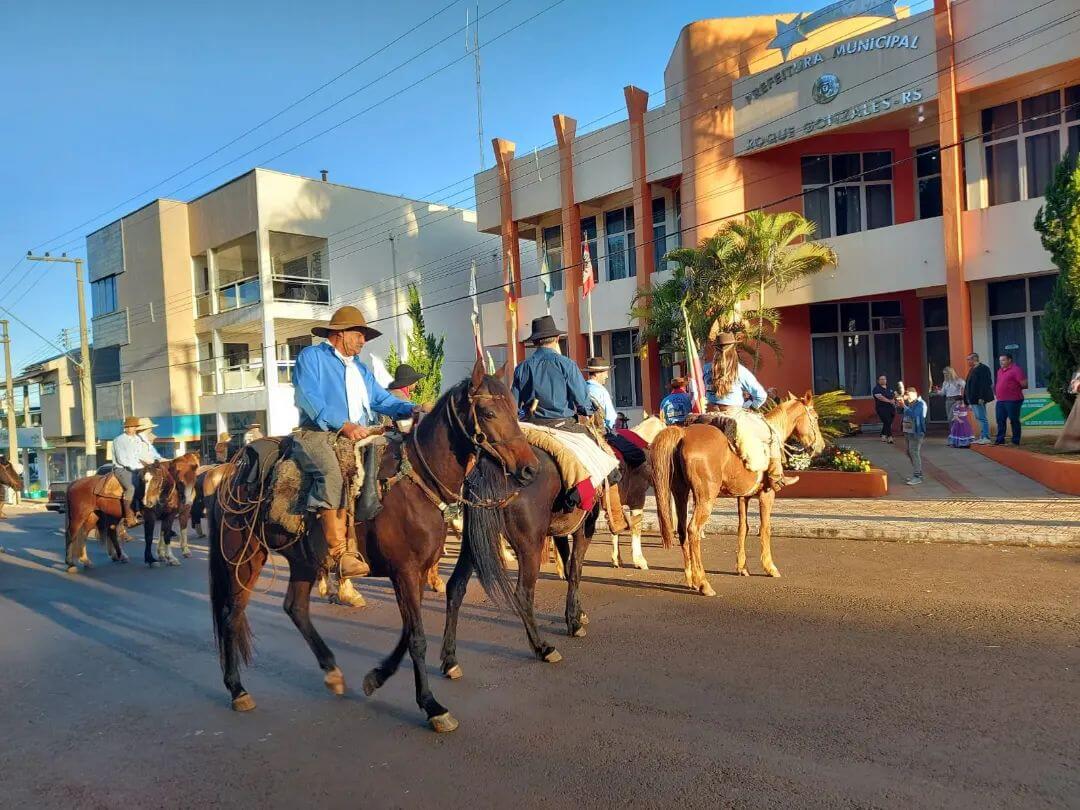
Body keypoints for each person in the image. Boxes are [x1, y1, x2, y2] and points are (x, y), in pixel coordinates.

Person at [292, 305, 417, 580]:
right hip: (319, 433)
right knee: (332, 474)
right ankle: (339, 554)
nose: (363, 340)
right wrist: (344, 425)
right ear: (339, 334)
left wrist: (413, 408)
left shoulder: (359, 368)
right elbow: (308, 397)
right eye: (359, 334)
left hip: (361, 432)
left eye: (364, 336)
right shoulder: (311, 357)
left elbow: (381, 400)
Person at [703, 332, 795, 492]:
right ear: (734, 349)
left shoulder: (705, 369)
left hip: (709, 413)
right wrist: (749, 405)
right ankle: (775, 477)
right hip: (734, 414)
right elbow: (761, 395)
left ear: (716, 349)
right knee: (772, 434)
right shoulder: (739, 371)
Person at [511, 315, 593, 431]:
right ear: (557, 338)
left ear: (534, 342)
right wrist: (588, 411)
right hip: (563, 425)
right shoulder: (567, 364)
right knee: (596, 444)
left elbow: (513, 404)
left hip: (531, 427)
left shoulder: (521, 368)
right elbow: (582, 401)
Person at [585, 356, 646, 468]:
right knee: (638, 454)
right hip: (601, 433)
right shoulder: (601, 391)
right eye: (605, 373)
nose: (607, 376)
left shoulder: (583, 388)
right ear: (598, 373)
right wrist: (612, 429)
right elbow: (611, 418)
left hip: (584, 432)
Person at [112, 416, 163, 526]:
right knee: (131, 487)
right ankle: (129, 516)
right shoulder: (119, 440)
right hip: (122, 468)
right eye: (129, 427)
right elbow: (122, 459)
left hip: (138, 467)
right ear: (125, 428)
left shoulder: (138, 440)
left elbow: (142, 455)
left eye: (134, 426)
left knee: (149, 483)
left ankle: (144, 510)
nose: (131, 428)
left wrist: (152, 463)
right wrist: (137, 466)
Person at [994, 352, 1027, 446]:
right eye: (1000, 360)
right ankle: (1000, 440)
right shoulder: (1000, 371)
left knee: (1014, 419)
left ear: (1009, 360)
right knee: (1000, 419)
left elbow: (1024, 384)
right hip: (1000, 400)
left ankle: (1015, 441)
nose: (1001, 362)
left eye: (1003, 360)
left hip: (1013, 399)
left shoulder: (1016, 370)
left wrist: (1013, 388)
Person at [897, 386, 928, 485]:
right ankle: (917, 472)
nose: (907, 397)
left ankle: (917, 476)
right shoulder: (910, 403)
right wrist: (899, 405)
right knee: (909, 452)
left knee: (914, 452)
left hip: (916, 433)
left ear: (914, 394)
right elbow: (900, 412)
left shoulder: (920, 404)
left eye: (908, 395)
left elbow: (914, 415)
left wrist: (904, 406)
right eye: (906, 395)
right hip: (908, 431)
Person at [964, 352, 995, 445]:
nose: (967, 361)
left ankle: (986, 437)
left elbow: (985, 384)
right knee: (978, 417)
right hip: (972, 398)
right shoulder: (972, 369)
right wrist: (966, 399)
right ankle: (982, 436)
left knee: (982, 417)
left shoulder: (983, 369)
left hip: (978, 398)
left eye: (969, 359)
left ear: (974, 359)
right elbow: (968, 385)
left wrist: (981, 397)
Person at [872, 374, 896, 444]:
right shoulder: (876, 389)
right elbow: (880, 397)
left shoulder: (890, 388)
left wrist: (895, 400)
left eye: (884, 379)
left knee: (888, 422)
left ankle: (883, 435)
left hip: (891, 408)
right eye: (881, 379)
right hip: (882, 408)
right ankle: (890, 437)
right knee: (887, 421)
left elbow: (895, 395)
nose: (883, 380)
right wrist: (890, 401)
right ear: (878, 381)